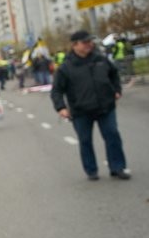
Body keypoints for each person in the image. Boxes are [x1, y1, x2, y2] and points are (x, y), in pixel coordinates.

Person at [51, 30, 130, 181]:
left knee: (112, 135)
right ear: (75, 45)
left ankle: (117, 167)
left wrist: (117, 90)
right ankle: (91, 170)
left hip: (105, 106)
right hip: (81, 111)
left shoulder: (100, 59)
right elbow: (57, 90)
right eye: (85, 42)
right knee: (85, 141)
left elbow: (114, 74)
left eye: (90, 41)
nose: (89, 44)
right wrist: (61, 107)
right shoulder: (66, 67)